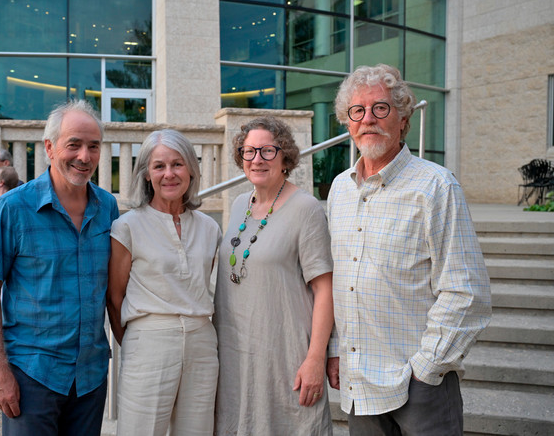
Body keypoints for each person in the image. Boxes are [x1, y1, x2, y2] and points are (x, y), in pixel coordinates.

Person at [326, 63, 492, 435]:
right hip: (360, 384)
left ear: (403, 119)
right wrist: (336, 348)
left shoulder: (436, 186)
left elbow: (467, 291)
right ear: (348, 123)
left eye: (380, 108)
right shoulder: (339, 189)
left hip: (419, 386)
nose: (368, 118)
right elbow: (341, 279)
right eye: (358, 111)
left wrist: (426, 368)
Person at [0, 99, 119, 435]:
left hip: (90, 377)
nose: (85, 156)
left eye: (93, 146)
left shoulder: (108, 207)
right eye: (74, 145)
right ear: (49, 148)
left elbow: (115, 291)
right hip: (31, 377)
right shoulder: (13, 208)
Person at [213, 116, 334, 435]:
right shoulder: (240, 204)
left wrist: (315, 359)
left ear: (286, 156)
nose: (257, 159)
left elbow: (325, 289)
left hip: (284, 356)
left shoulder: (305, 209)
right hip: (237, 356)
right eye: (248, 151)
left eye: (267, 151)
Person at [107, 129, 222, 436]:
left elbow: (200, 284)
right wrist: (137, 344)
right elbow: (114, 297)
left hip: (201, 342)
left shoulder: (210, 228)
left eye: (178, 164)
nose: (169, 174)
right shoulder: (127, 226)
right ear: (146, 174)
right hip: (148, 340)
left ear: (191, 170)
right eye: (159, 166)